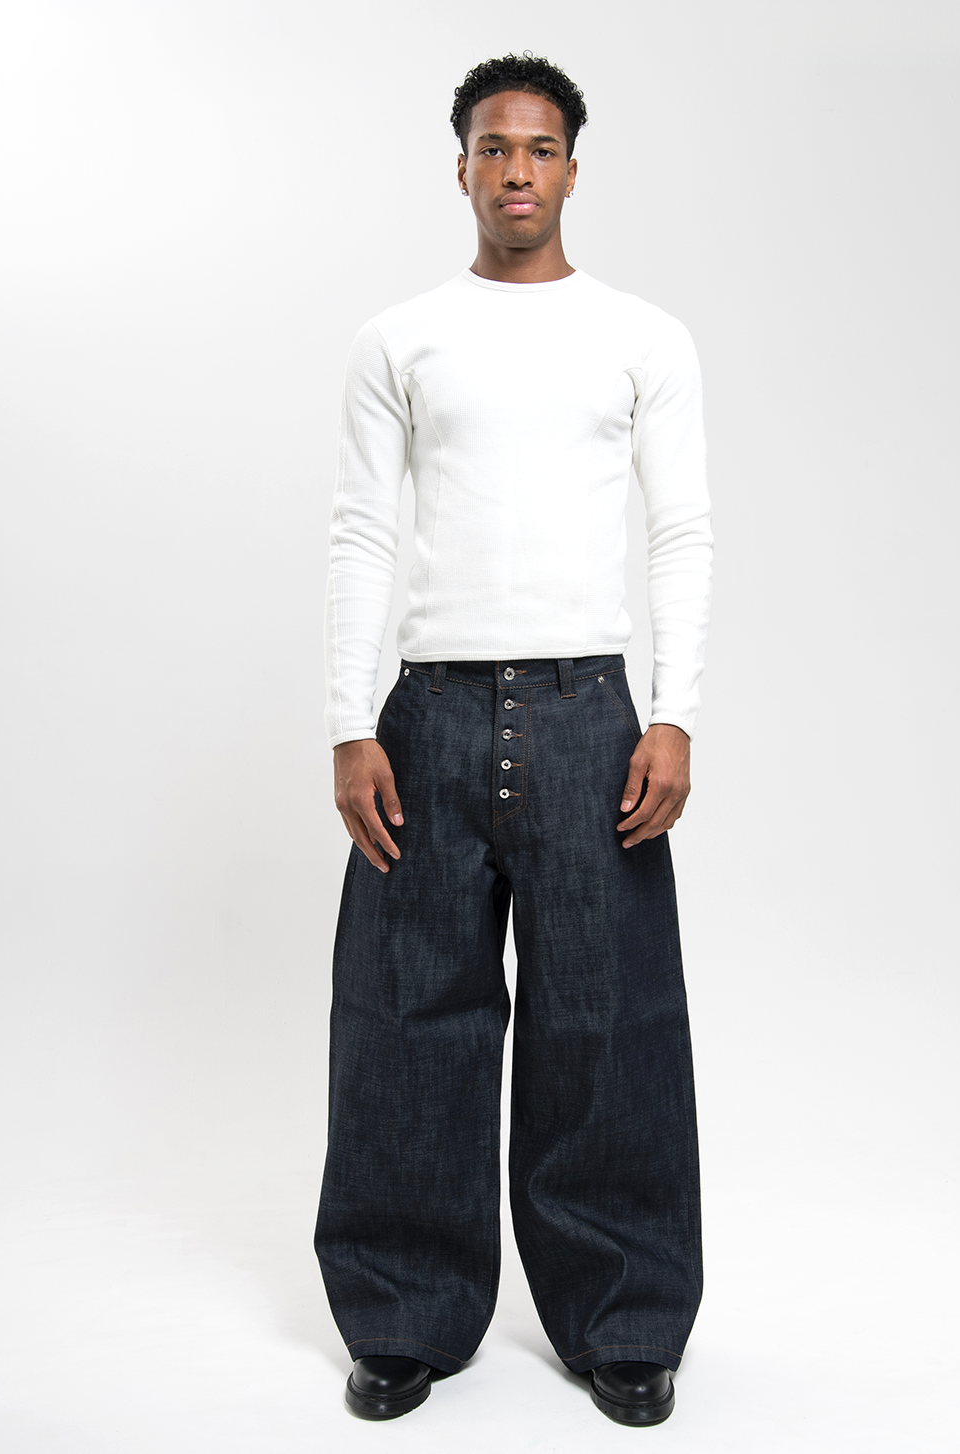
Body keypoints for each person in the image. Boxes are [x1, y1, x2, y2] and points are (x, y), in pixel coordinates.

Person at [314, 53, 712, 1427]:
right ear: (463, 168)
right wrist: (347, 722)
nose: (517, 170)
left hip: (588, 714)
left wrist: (673, 709)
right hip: (426, 715)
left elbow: (681, 528)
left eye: (540, 148)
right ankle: (403, 1315)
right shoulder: (401, 339)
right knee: (404, 1019)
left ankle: (623, 1319)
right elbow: (361, 530)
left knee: (607, 1023)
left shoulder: (641, 338)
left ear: (573, 171)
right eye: (494, 147)